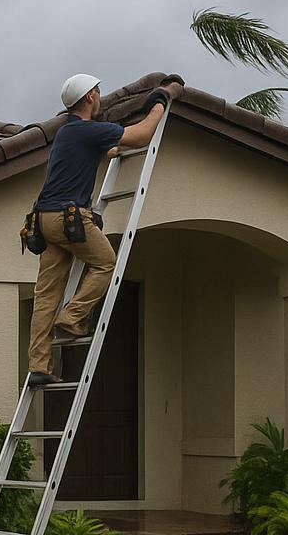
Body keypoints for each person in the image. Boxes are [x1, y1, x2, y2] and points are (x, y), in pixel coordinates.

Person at [25, 72, 182, 386]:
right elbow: (141, 136)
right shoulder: (87, 130)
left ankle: (38, 366)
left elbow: (108, 150)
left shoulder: (66, 135)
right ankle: (72, 318)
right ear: (89, 98)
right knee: (106, 263)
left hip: (44, 219)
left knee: (46, 294)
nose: (99, 96)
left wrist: (115, 149)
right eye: (97, 92)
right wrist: (162, 101)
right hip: (69, 218)